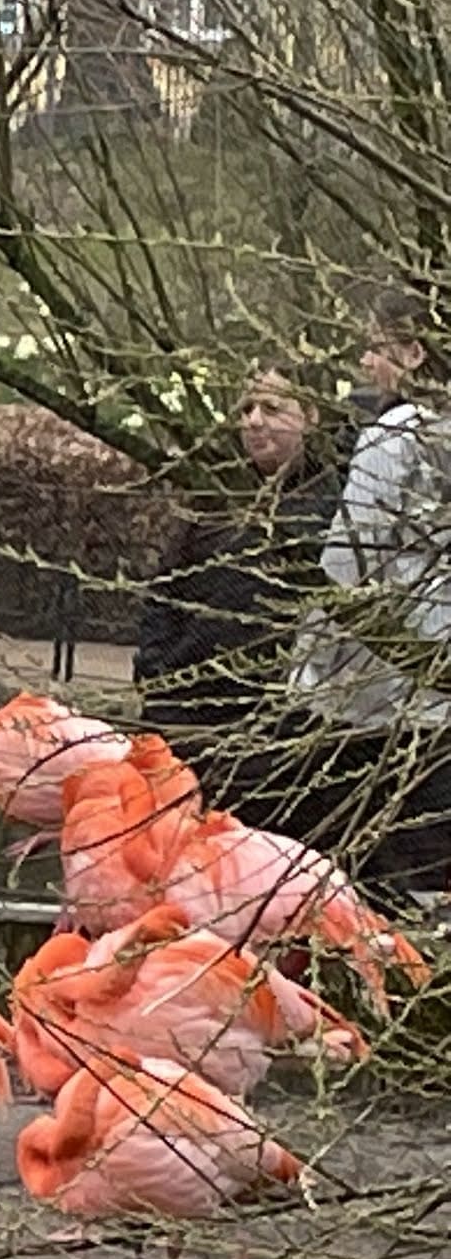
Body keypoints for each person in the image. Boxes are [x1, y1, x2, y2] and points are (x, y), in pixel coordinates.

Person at [139, 371, 335, 830]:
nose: (254, 421)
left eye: (271, 409)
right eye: (247, 409)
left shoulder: (332, 507)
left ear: (309, 416)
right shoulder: (217, 498)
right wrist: (154, 677)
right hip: (184, 717)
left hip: (274, 730)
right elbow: (164, 593)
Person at [302, 298, 451, 891]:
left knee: (384, 871)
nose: (365, 362)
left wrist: (313, 672)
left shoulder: (397, 434)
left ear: (414, 354)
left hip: (392, 694)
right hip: (440, 686)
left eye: (374, 347)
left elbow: (349, 564)